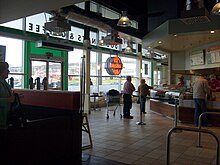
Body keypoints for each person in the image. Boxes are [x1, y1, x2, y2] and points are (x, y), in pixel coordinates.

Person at [0, 62, 15, 162]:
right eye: (7, 69)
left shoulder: (5, 83)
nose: (8, 72)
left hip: (5, 120)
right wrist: (9, 100)